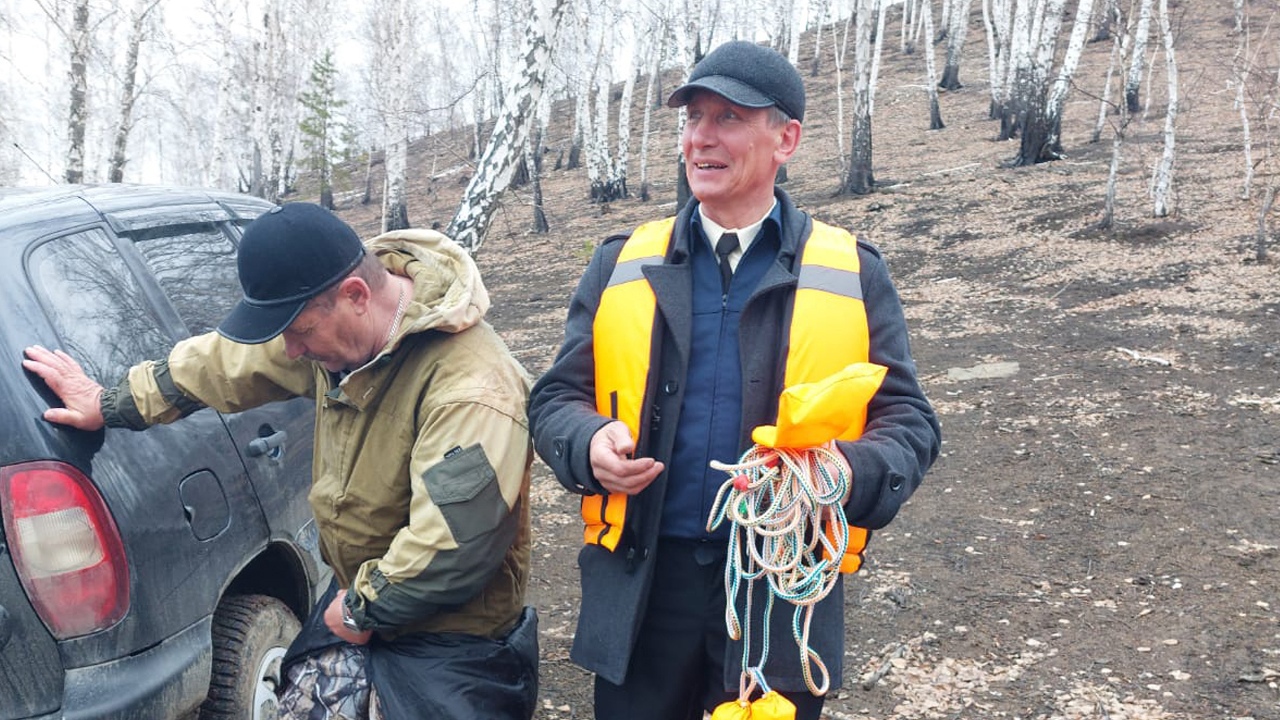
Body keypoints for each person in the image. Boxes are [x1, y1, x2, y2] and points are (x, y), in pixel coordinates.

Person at [527, 40, 941, 720]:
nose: (701, 139)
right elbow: (553, 400)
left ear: (787, 138)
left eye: (727, 118)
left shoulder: (853, 270)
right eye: (692, 119)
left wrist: (847, 473)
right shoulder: (619, 262)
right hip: (643, 591)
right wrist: (589, 439)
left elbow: (910, 423)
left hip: (778, 596)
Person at [23, 202, 538, 719]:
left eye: (301, 332)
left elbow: (453, 543)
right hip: (367, 596)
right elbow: (225, 363)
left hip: (453, 636)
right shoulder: (342, 330)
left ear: (356, 296)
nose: (291, 351)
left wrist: (359, 611)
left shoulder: (470, 388)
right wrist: (111, 403)